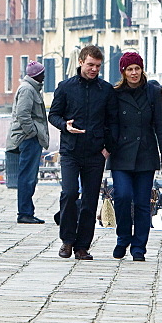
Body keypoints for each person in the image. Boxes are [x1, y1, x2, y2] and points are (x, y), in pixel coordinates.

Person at [48, 45, 117, 261]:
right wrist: (64, 125)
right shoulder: (65, 87)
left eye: (97, 66)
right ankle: (67, 240)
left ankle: (82, 246)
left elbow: (113, 122)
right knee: (69, 193)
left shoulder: (106, 90)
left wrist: (108, 148)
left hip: (96, 153)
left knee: (90, 200)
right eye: (90, 65)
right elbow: (53, 115)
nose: (94, 69)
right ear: (80, 62)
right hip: (70, 150)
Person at [109, 52, 162, 261]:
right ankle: (123, 237)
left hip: (145, 153)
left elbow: (160, 125)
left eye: (137, 68)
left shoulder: (153, 92)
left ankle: (139, 247)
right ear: (123, 72)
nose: (134, 73)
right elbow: (110, 124)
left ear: (142, 69)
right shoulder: (115, 93)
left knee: (143, 203)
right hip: (121, 153)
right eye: (129, 69)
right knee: (122, 196)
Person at [7, 60, 49, 224]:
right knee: (27, 177)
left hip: (30, 138)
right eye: (43, 73)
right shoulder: (27, 89)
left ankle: (27, 211)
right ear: (37, 75)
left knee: (29, 176)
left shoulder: (31, 88)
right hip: (28, 139)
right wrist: (33, 133)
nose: (45, 76)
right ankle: (24, 212)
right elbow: (22, 114)